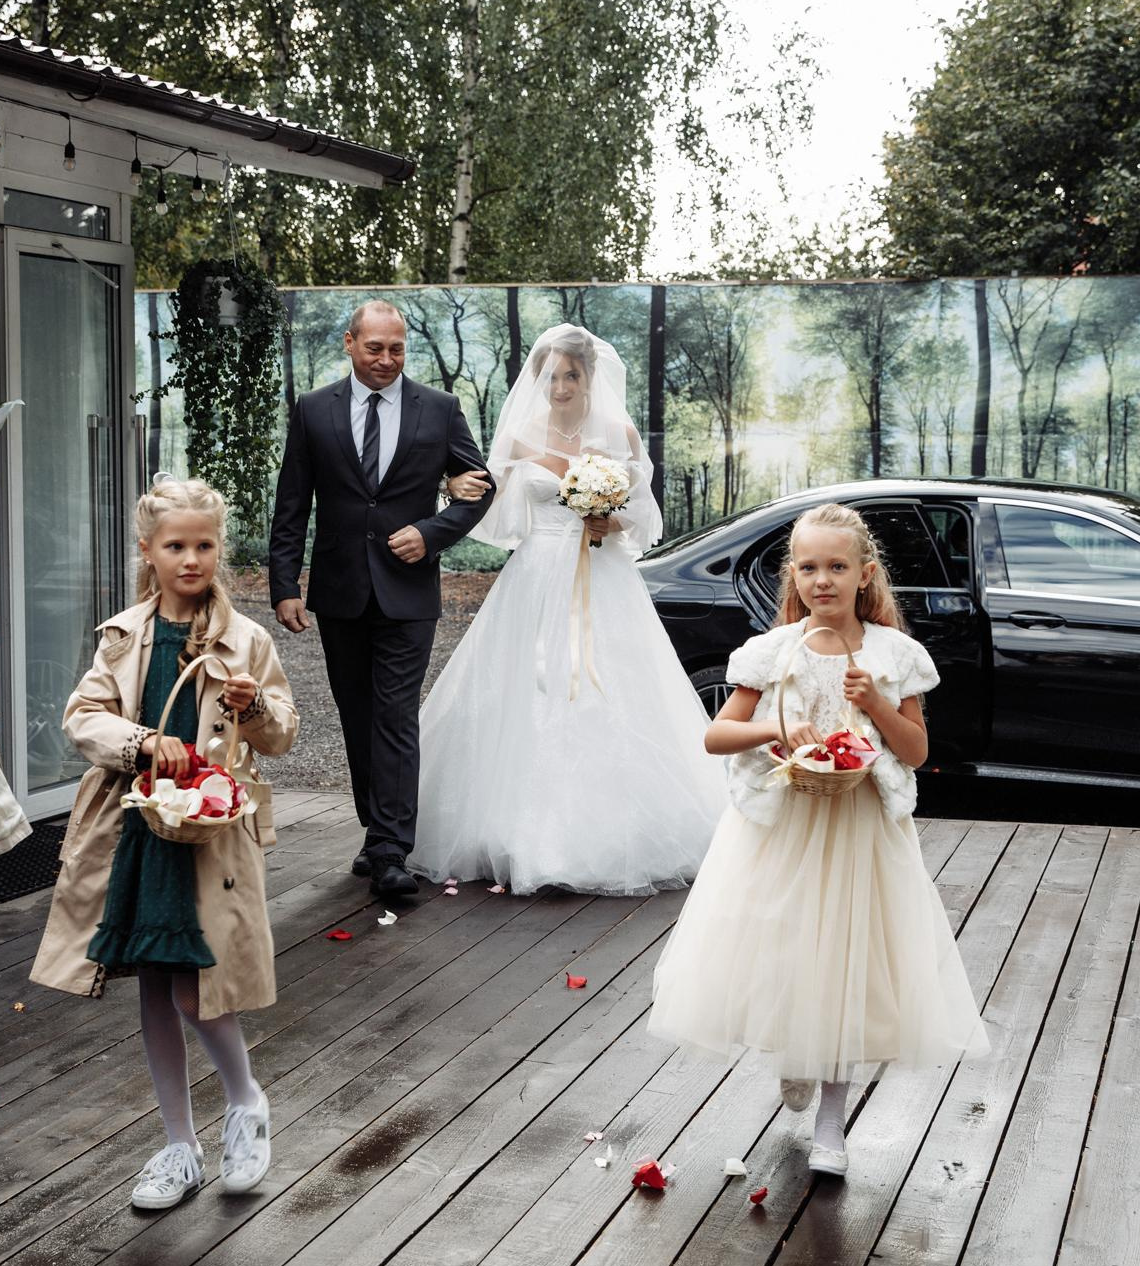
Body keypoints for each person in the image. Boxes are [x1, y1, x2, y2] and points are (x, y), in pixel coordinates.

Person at [647, 502, 989, 1178]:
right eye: (808, 566)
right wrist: (777, 729)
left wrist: (879, 704)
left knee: (847, 958)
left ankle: (832, 1120)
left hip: (861, 831)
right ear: (793, 575)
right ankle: (798, 1053)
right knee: (788, 947)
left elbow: (916, 751)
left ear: (865, 574)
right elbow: (718, 734)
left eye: (837, 566)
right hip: (784, 828)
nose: (822, 579)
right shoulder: (772, 652)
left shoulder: (895, 655)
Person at [28, 478, 298, 1209]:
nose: (191, 558)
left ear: (219, 549)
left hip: (208, 831)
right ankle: (179, 1143)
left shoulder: (248, 641)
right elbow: (83, 717)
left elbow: (282, 732)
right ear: (147, 551)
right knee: (155, 981)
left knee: (195, 983)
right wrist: (143, 741)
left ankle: (245, 1100)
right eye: (174, 545)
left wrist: (256, 704)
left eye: (204, 545)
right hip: (139, 827)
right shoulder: (122, 635)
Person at [410, 325, 725, 894]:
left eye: (570, 375)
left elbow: (646, 519)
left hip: (601, 578)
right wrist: (443, 495)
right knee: (523, 694)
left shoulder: (618, 432)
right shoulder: (521, 435)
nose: (559, 386)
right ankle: (510, 831)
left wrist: (612, 520)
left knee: (607, 691)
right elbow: (481, 500)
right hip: (533, 578)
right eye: (551, 375)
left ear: (588, 377)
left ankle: (606, 836)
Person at [267, 300, 493, 900]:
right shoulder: (314, 410)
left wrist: (432, 531)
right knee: (356, 714)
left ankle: (393, 847)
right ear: (350, 343)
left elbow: (480, 487)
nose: (387, 360)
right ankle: (375, 831)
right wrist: (285, 585)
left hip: (408, 591)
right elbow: (293, 501)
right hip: (339, 590)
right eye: (375, 348)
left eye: (397, 349)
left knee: (395, 715)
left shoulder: (439, 410)